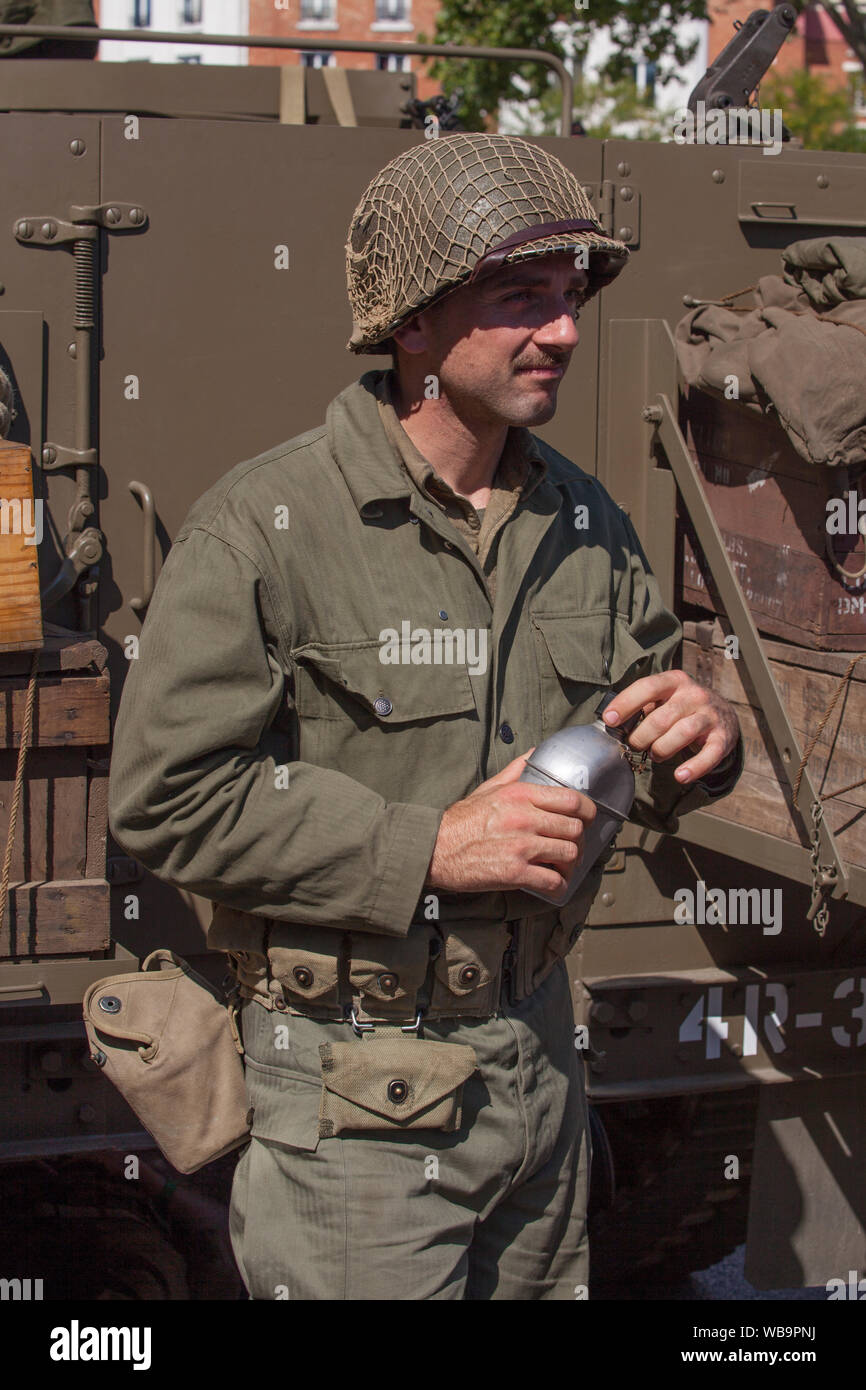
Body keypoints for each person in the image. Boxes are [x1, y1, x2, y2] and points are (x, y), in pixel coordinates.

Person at [108, 132, 743, 1301]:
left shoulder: (583, 520)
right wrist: (428, 848)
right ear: (412, 325)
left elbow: (640, 725)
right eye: (516, 297)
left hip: (540, 1075)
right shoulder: (264, 525)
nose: (558, 329)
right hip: (354, 1105)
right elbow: (168, 797)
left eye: (566, 298)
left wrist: (697, 740)